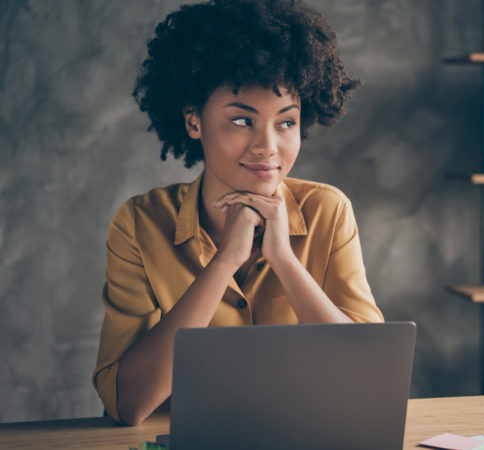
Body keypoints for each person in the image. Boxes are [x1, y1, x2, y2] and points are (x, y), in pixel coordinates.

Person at [92, 0, 384, 426]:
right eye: (242, 121)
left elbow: (372, 377)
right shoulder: (140, 223)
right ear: (194, 121)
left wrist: (284, 260)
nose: (268, 147)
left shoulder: (328, 211)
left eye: (286, 123)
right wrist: (223, 262)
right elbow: (128, 405)